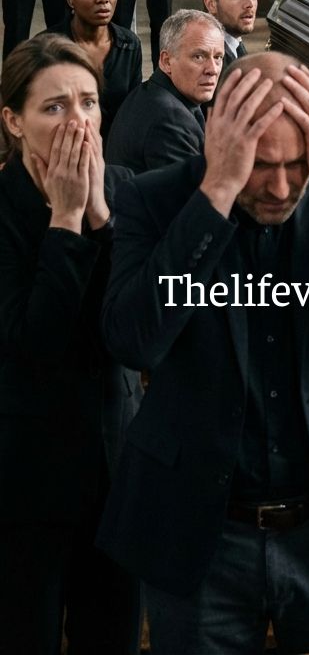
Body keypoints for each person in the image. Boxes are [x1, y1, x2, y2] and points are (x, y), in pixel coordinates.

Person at [97, 51, 309, 654]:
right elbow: (133, 340)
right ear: (219, 136)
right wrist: (215, 194)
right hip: (200, 532)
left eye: (297, 165)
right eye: (260, 165)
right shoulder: (154, 201)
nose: (281, 188)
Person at [0, 35, 141, 654]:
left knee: (112, 636)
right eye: (54, 107)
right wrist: (64, 220)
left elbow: (137, 331)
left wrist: (102, 218)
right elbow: (36, 343)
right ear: (13, 121)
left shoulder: (125, 189)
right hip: (25, 480)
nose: (78, 122)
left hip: (115, 465)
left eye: (88, 102)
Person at [105, 9, 224, 172]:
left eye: (218, 57)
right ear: (166, 61)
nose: (213, 69)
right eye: (199, 57)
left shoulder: (153, 94)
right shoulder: (170, 120)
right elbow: (195, 188)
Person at [45, 0, 143, 141]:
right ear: (71, 0)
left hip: (116, 147)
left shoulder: (129, 45)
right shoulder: (48, 47)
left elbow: (133, 108)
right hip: (64, 144)